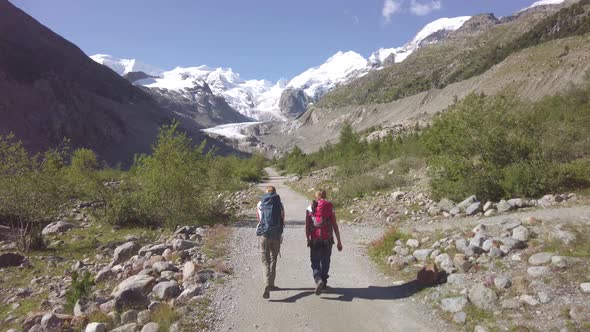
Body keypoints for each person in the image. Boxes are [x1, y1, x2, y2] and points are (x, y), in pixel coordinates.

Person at [305, 189, 342, 295]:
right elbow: (334, 225)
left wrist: (308, 238)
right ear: (325, 196)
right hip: (327, 239)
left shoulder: (310, 207)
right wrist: (339, 241)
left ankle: (318, 280)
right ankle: (324, 282)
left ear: (316, 196)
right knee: (326, 261)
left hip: (315, 239)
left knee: (315, 261)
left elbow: (307, 226)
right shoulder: (330, 207)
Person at [256, 186, 285, 299]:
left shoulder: (260, 204)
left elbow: (259, 219)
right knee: (273, 259)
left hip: (264, 235)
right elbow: (282, 219)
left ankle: (267, 283)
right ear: (275, 193)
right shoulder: (280, 204)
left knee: (265, 261)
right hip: (276, 235)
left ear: (266, 193)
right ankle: (271, 284)